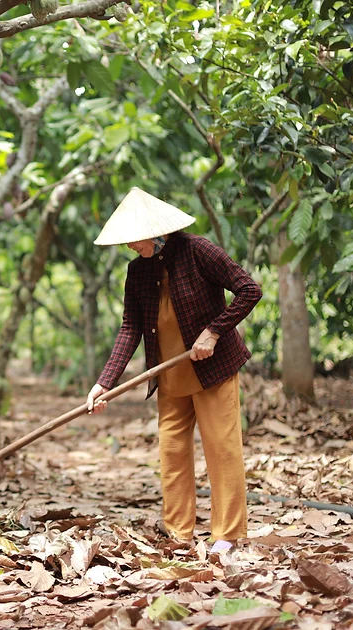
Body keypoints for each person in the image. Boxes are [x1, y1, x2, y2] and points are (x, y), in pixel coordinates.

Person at [85, 188, 262, 553]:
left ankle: (226, 535)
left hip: (213, 371)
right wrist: (104, 383)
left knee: (222, 450)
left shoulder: (198, 251)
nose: (130, 245)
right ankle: (179, 533)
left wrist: (214, 331)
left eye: (135, 238)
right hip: (169, 378)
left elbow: (249, 290)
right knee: (172, 453)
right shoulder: (137, 271)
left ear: (156, 231)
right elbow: (130, 328)